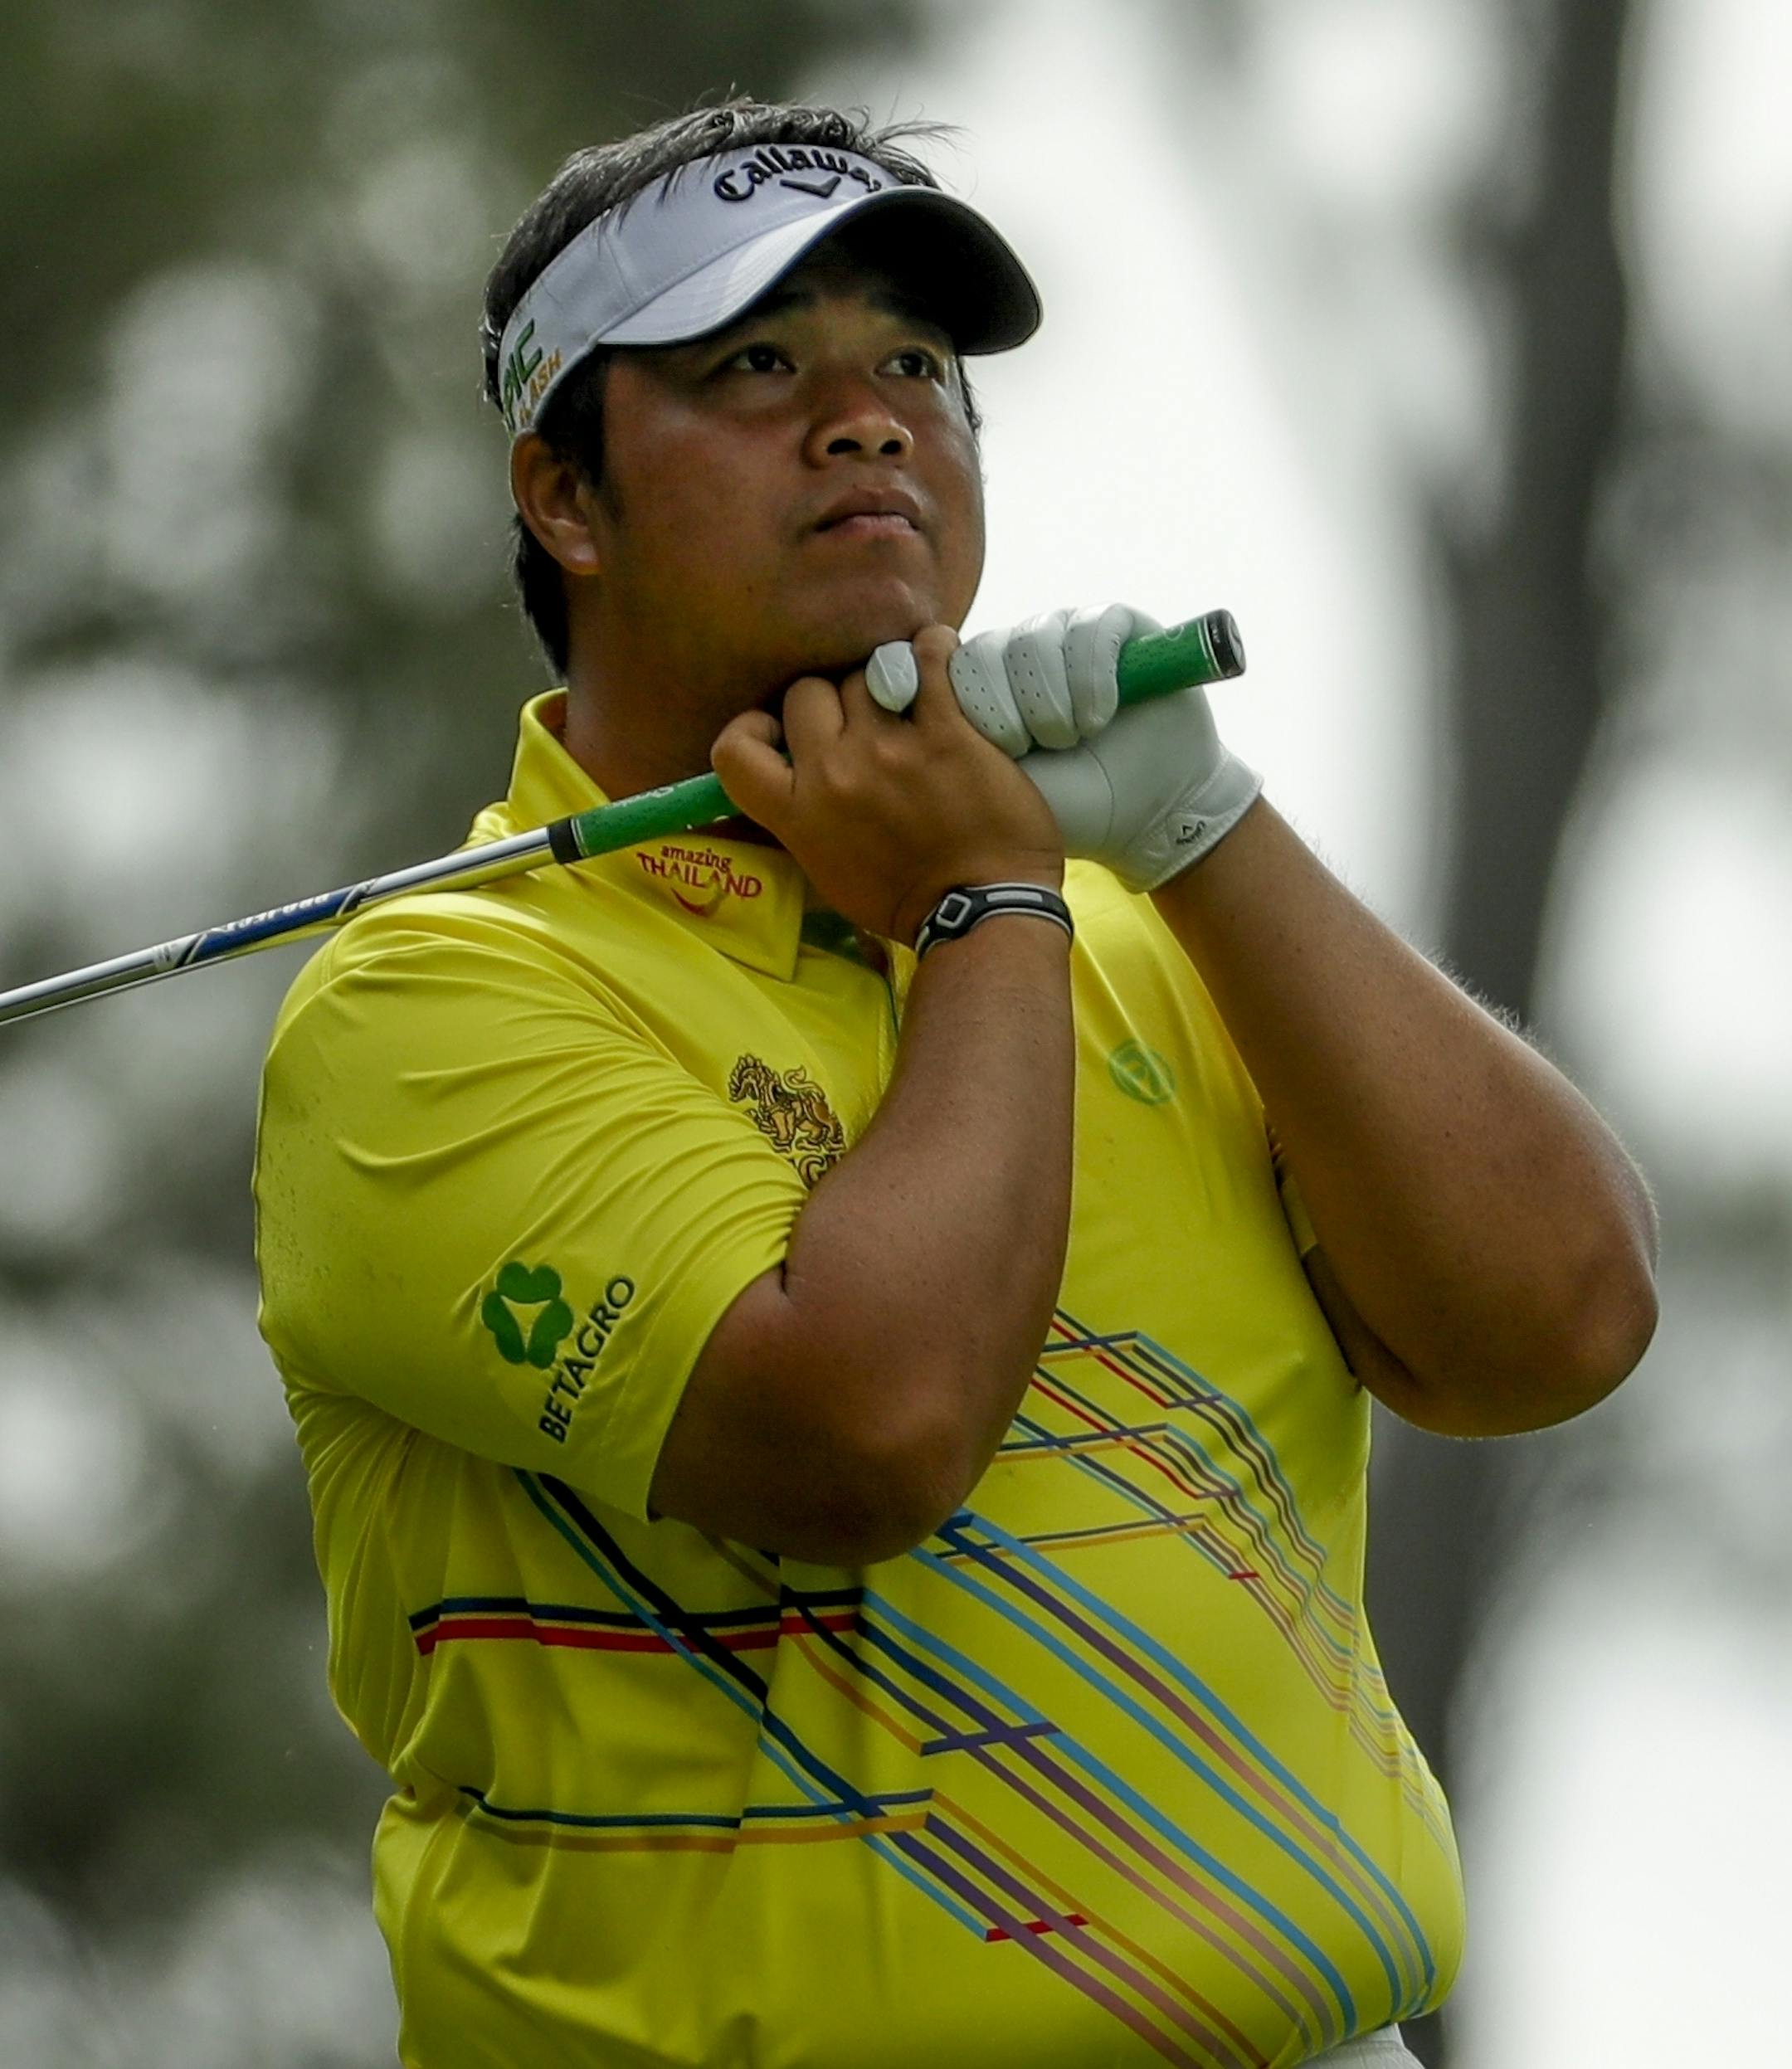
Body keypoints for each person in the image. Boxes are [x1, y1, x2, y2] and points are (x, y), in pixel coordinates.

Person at [253, 100, 1658, 2069]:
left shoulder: (1139, 926)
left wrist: (1205, 828)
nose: (868, 417)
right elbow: (872, 1429)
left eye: (917, 364)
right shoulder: (436, 1008)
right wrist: (985, 894)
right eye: (758, 365)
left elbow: (1562, 1321)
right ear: (565, 496)